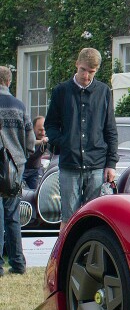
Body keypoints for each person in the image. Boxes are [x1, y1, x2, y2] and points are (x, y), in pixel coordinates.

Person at [45, 48, 118, 228]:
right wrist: (63, 143)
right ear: (77, 65)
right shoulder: (61, 91)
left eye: (91, 72)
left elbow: (110, 129)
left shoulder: (104, 91)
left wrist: (111, 164)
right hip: (70, 163)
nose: (86, 76)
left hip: (97, 165)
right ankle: (65, 257)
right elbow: (50, 125)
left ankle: (91, 256)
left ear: (97, 70)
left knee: (94, 219)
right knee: (68, 220)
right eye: (83, 70)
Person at [0, 66, 34, 277]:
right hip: (16, 167)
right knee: (12, 216)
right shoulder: (20, 106)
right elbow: (30, 141)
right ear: (9, 82)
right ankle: (18, 263)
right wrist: (21, 157)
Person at [23, 115, 49, 189]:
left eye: (44, 130)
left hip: (35, 171)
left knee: (36, 191)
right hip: (23, 169)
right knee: (19, 193)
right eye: (40, 130)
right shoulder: (27, 136)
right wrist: (41, 141)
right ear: (33, 128)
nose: (43, 133)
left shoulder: (46, 139)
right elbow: (29, 142)